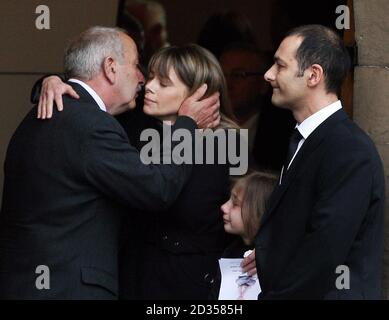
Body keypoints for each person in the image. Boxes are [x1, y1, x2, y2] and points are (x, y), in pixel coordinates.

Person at [0, 27, 219, 299]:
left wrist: (51, 79)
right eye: (138, 66)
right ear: (111, 68)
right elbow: (157, 188)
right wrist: (187, 124)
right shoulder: (91, 126)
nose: (142, 79)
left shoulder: (40, 117)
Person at [241, 24, 385, 299]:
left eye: (280, 66)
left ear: (313, 75)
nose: (268, 75)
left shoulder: (348, 150)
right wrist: (270, 256)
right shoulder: (307, 138)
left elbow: (325, 249)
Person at [219, 43, 295, 171]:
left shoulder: (282, 131)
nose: (227, 84)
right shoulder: (205, 126)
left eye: (238, 75)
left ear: (263, 84)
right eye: (222, 75)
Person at [210, 171, 277, 299]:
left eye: (235, 204)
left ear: (257, 212)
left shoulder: (276, 262)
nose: (224, 207)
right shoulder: (230, 251)